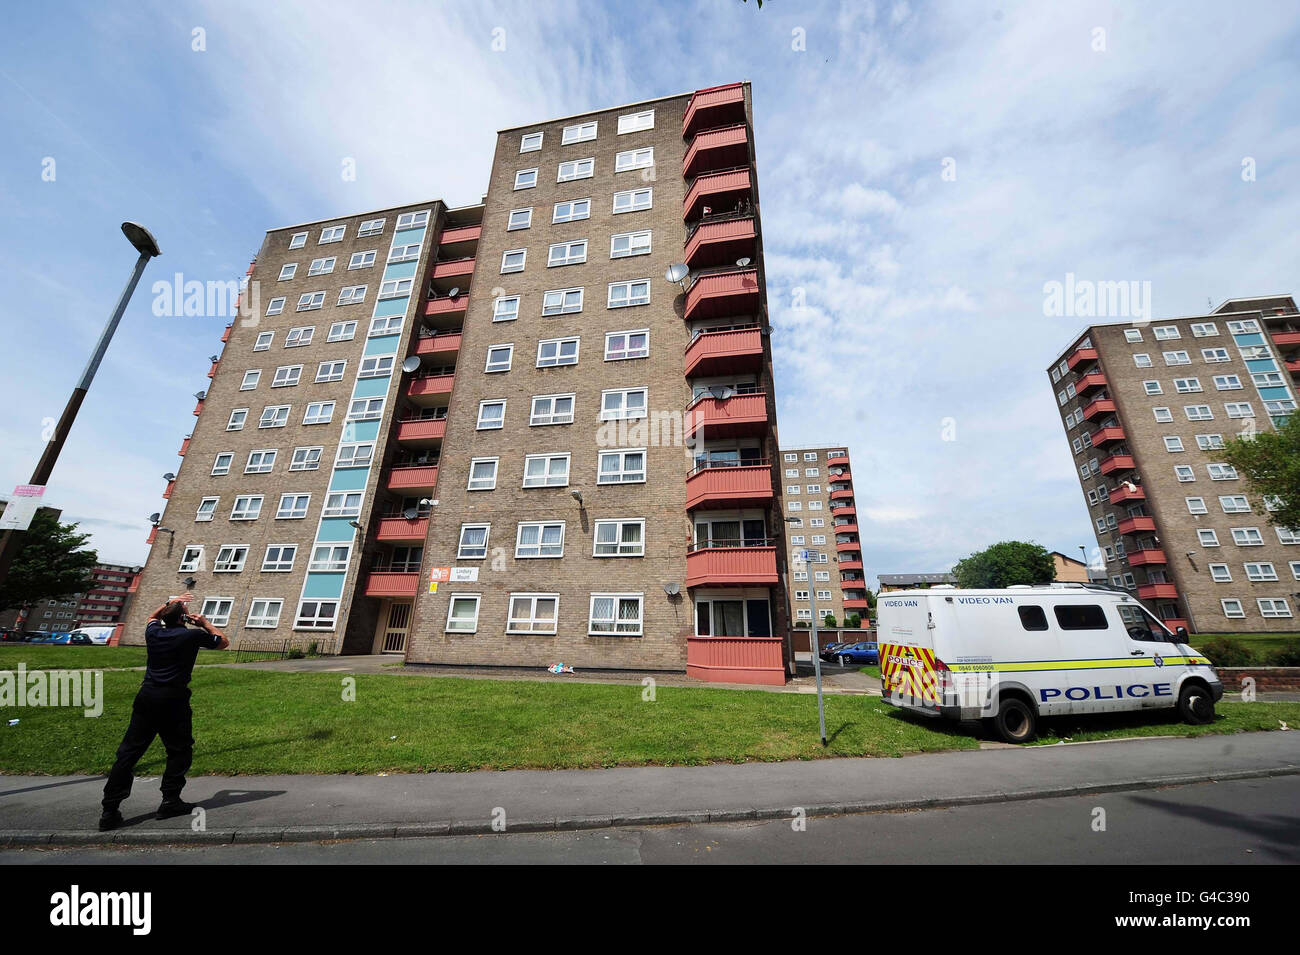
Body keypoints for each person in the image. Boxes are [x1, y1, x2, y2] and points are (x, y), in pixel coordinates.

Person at [99, 592, 229, 831]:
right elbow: (222, 641)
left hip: (147, 697)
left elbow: (151, 616)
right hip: (173, 699)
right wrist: (204, 623)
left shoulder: (154, 632)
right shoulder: (191, 636)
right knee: (179, 750)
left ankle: (109, 809)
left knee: (129, 752)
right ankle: (170, 800)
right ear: (184, 619)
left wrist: (170, 604)